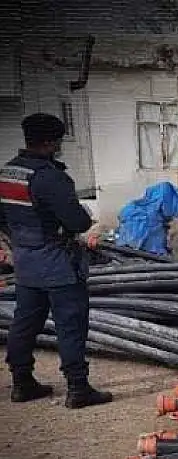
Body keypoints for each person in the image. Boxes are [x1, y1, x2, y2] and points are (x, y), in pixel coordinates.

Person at [0, 113, 112, 408]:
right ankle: (78, 389)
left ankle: (22, 383)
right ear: (50, 142)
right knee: (70, 324)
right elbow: (76, 222)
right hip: (57, 264)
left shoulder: (8, 173)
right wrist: (83, 218)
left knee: (24, 323)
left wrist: (22, 239)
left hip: (25, 262)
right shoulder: (50, 176)